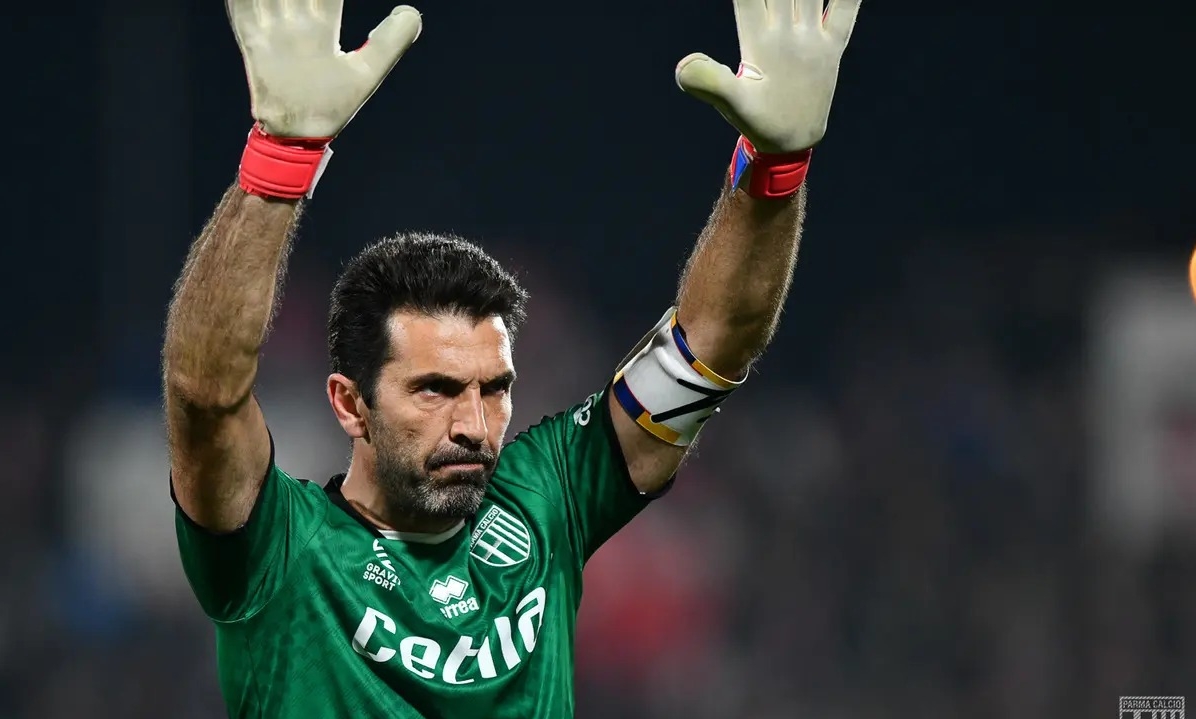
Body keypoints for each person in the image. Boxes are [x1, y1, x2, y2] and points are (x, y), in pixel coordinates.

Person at [162, 0, 862, 716]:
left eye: (493, 388)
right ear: (350, 402)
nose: (473, 424)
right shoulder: (278, 550)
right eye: (434, 390)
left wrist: (775, 170)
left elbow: (710, 346)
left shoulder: (547, 499)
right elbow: (203, 393)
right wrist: (280, 161)